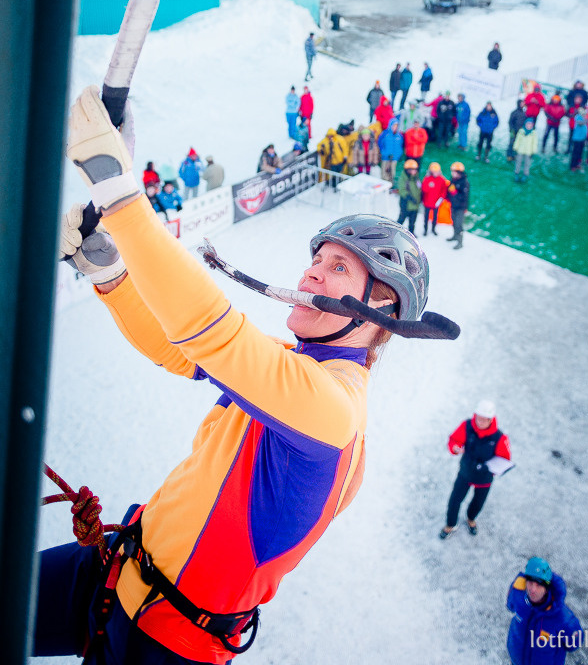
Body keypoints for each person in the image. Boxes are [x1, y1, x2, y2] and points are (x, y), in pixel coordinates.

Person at [44, 85, 431, 664]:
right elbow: (183, 350)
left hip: (166, 643)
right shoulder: (291, 373)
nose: (313, 272)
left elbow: (210, 329)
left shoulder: (331, 409)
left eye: (340, 266)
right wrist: (113, 275)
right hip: (117, 568)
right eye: (317, 258)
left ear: (383, 311)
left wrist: (121, 196)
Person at [439, 399, 510, 538]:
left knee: (478, 502)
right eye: (478, 418)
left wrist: (492, 469)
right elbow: (454, 440)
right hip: (465, 473)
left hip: (484, 478)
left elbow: (504, 459)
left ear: (491, 420)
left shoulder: (499, 438)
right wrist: (454, 448)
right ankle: (450, 525)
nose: (479, 422)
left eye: (484, 420)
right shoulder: (467, 426)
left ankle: (471, 519)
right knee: (455, 500)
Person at [506, 558, 582, 664]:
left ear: (546, 588)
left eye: (538, 585)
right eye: (530, 583)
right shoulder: (518, 593)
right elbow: (510, 605)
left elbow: (574, 644)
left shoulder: (562, 617)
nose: (532, 589)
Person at [445, 162, 469, 250]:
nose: (452, 174)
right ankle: (455, 236)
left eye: (454, 172)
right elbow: (449, 190)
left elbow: (464, 197)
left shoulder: (464, 183)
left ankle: (460, 242)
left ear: (459, 172)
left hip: (460, 208)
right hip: (453, 206)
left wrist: (454, 193)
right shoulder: (453, 180)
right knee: (454, 221)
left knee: (459, 224)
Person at [421, 162, 448, 236]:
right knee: (426, 217)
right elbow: (424, 189)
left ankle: (433, 229)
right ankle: (425, 230)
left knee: (435, 217)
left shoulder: (442, 180)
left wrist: (440, 200)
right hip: (427, 202)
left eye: (437, 171)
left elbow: (443, 191)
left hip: (436, 203)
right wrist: (429, 186)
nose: (435, 173)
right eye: (434, 171)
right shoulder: (427, 178)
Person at [397, 159, 421, 234]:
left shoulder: (416, 178)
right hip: (406, 204)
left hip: (415, 205)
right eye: (412, 170)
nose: (414, 171)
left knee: (412, 221)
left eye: (415, 169)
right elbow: (402, 190)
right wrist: (409, 198)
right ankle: (396, 231)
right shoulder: (403, 178)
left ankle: (411, 233)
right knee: (401, 219)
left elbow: (419, 188)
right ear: (408, 170)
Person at [377, 120, 403, 186]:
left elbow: (401, 146)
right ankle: (383, 185)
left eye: (396, 126)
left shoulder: (399, 136)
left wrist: (398, 155)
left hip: (394, 158)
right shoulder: (385, 134)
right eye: (394, 125)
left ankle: (390, 185)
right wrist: (384, 153)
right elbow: (380, 144)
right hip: (386, 157)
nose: (395, 127)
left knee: (392, 172)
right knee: (384, 172)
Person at [513, 118, 538, 182]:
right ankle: (516, 173)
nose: (529, 126)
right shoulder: (521, 131)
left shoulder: (533, 133)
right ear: (525, 124)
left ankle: (525, 174)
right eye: (528, 124)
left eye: (530, 124)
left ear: (532, 125)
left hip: (528, 151)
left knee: (527, 163)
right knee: (518, 162)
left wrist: (533, 151)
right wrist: (515, 148)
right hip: (520, 150)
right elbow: (517, 140)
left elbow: (534, 143)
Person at [569, 106, 587, 172]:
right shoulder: (578, 117)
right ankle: (572, 165)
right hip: (577, 139)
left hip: (582, 139)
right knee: (575, 153)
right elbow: (580, 123)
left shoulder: (584, 117)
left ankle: (577, 164)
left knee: (580, 152)